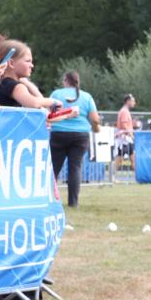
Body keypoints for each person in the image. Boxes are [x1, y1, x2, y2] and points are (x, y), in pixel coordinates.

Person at [49, 70, 100, 208]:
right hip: (80, 135)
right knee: (75, 168)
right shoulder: (87, 96)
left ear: (65, 80)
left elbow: (48, 113)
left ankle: (48, 199)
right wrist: (96, 129)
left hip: (58, 133)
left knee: (54, 168)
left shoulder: (56, 94)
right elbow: (95, 119)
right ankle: (73, 203)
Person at [0, 40, 61, 109]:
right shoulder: (15, 86)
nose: (32, 65)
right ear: (11, 63)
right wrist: (53, 101)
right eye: (28, 61)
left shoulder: (0, 83)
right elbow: (33, 103)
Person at [115, 93, 137, 172]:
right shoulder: (124, 111)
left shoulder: (125, 111)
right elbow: (124, 125)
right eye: (133, 101)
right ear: (128, 101)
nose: (134, 103)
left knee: (132, 158)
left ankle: (137, 176)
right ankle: (113, 176)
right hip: (124, 139)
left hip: (127, 139)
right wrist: (131, 135)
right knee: (120, 158)